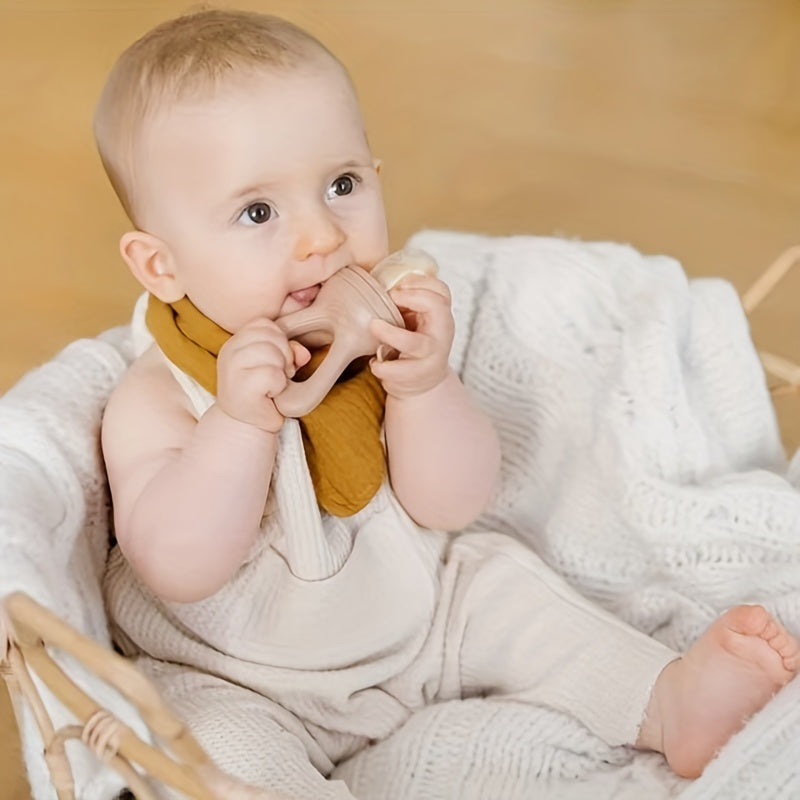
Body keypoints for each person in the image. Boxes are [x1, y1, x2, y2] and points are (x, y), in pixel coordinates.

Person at [96, 8, 799, 797]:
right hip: (240, 675)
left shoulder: (382, 342)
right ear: (160, 267)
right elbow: (177, 565)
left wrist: (426, 388)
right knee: (211, 748)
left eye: (342, 184)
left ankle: (667, 702)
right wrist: (237, 424)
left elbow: (453, 502)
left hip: (417, 620)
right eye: (258, 212)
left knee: (504, 584)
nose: (322, 237)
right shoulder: (158, 395)